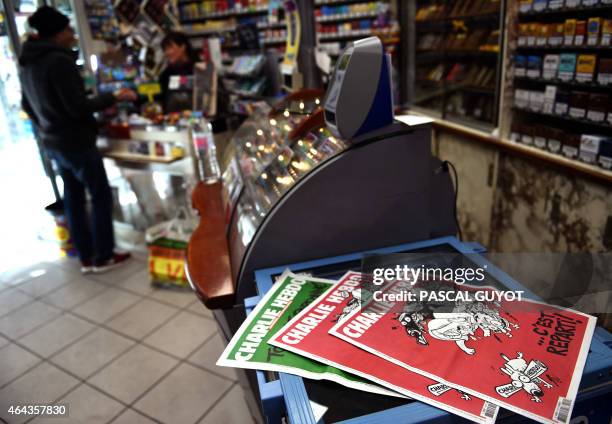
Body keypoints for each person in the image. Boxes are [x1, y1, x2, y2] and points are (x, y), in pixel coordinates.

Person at [18, 6, 137, 274]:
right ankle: (104, 255)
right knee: (99, 195)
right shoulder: (58, 61)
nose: (73, 35)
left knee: (73, 197)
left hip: (53, 143)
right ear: (58, 34)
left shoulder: (28, 63)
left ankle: (85, 256)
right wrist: (114, 96)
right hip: (76, 141)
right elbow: (77, 107)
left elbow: (27, 105)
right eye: (69, 30)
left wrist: (47, 129)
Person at [159, 32, 198, 112]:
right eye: (165, 49)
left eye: (170, 48)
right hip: (173, 120)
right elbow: (159, 95)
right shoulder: (166, 74)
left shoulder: (200, 69)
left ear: (183, 47)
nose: (167, 53)